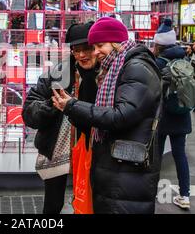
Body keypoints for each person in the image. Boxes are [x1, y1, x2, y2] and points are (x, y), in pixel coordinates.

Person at [52, 17, 162, 214]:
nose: (95, 52)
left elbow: (121, 116)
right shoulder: (118, 66)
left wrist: (73, 106)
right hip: (119, 168)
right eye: (93, 47)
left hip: (127, 170)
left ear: (116, 41)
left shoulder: (136, 67)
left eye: (99, 45)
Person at [22, 22, 98, 214]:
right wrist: (50, 106)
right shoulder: (58, 74)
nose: (81, 55)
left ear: (96, 47)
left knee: (92, 201)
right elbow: (29, 112)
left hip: (95, 151)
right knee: (52, 205)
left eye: (87, 48)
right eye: (76, 50)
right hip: (57, 149)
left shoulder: (106, 75)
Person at [153, 20, 192, 210]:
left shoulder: (158, 62)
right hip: (182, 114)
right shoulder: (185, 59)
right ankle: (185, 195)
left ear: (158, 44)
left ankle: (151, 191)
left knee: (156, 155)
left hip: (162, 116)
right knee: (180, 155)